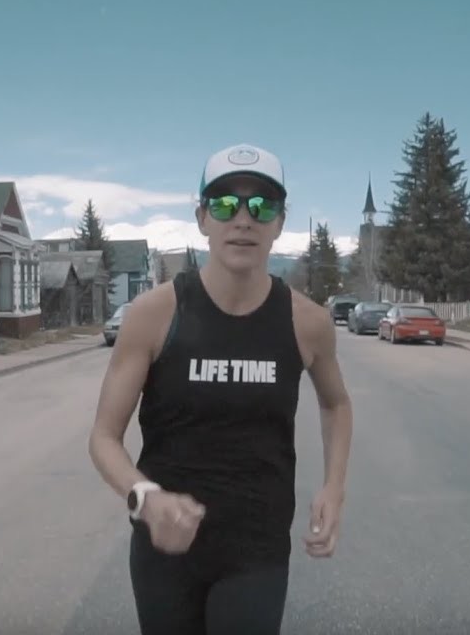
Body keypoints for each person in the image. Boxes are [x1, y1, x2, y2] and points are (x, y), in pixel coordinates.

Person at [88, 144, 355, 635]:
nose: (243, 219)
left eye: (262, 206)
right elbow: (104, 437)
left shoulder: (308, 322)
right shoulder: (154, 314)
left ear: (279, 222)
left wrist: (334, 488)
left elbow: (336, 404)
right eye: (226, 204)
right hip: (165, 551)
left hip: (257, 550)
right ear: (202, 219)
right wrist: (145, 497)